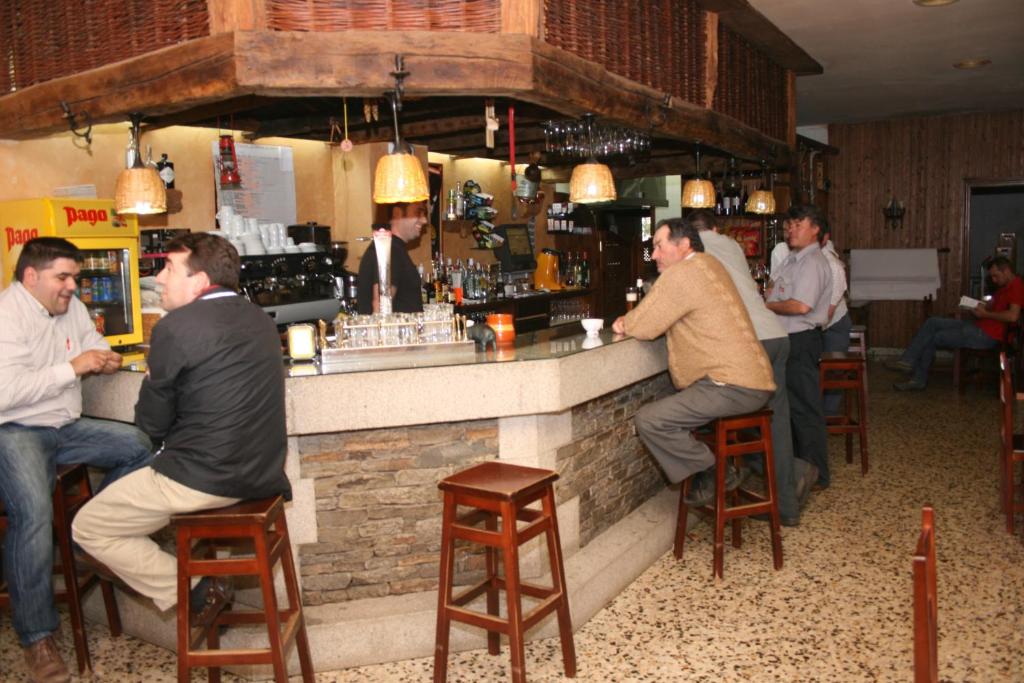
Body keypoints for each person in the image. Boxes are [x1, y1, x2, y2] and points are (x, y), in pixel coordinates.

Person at [72, 233, 291, 630]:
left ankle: (193, 589)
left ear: (199, 280)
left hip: (204, 478)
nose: (158, 278)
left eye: (169, 268)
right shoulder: (259, 318)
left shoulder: (176, 327)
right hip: (262, 474)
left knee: (89, 526)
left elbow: (149, 425)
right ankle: (193, 585)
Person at [0, 237, 152, 683]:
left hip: (64, 426)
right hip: (15, 429)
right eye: (62, 277)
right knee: (32, 513)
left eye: (75, 277)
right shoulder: (6, 316)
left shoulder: (72, 307)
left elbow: (91, 342)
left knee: (140, 446)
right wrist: (74, 367)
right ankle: (38, 639)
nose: (72, 286)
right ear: (31, 276)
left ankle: (87, 534)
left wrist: (103, 358)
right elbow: (5, 394)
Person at [612, 217, 775, 506]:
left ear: (684, 244)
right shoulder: (710, 264)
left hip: (731, 385)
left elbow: (643, 325)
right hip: (752, 380)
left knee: (651, 420)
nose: (656, 255)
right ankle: (738, 472)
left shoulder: (683, 273)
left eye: (660, 246)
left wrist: (625, 321)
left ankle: (716, 473)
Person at [689, 210, 816, 525]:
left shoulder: (691, 252)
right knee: (777, 422)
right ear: (717, 228)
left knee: (727, 410)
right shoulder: (731, 246)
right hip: (776, 336)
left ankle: (730, 472)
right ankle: (786, 506)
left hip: (748, 343)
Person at [765, 205, 833, 489]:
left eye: (797, 224)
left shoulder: (813, 261)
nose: (790, 229)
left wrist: (766, 306)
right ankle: (798, 470)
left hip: (802, 340)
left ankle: (818, 473)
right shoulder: (790, 261)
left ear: (815, 229)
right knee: (790, 409)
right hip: (786, 339)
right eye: (788, 224)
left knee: (805, 409)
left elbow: (800, 305)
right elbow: (770, 287)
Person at [888, 255, 1024, 391]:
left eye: (996, 276)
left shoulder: (1017, 286)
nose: (994, 280)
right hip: (979, 327)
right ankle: (908, 361)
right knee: (932, 322)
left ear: (1006, 271)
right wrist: (979, 306)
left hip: (987, 336)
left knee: (934, 337)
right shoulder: (1004, 287)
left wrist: (986, 314)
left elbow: (1013, 316)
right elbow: (991, 305)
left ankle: (918, 379)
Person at [357, 201, 428, 314]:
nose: (424, 220)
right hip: (393, 331)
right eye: (418, 212)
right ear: (397, 213)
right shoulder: (390, 249)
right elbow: (381, 307)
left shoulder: (394, 248)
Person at [820, 230, 852, 414]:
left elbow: (829, 308)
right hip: (819, 322)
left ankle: (828, 419)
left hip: (835, 322)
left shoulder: (831, 262)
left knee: (834, 371)